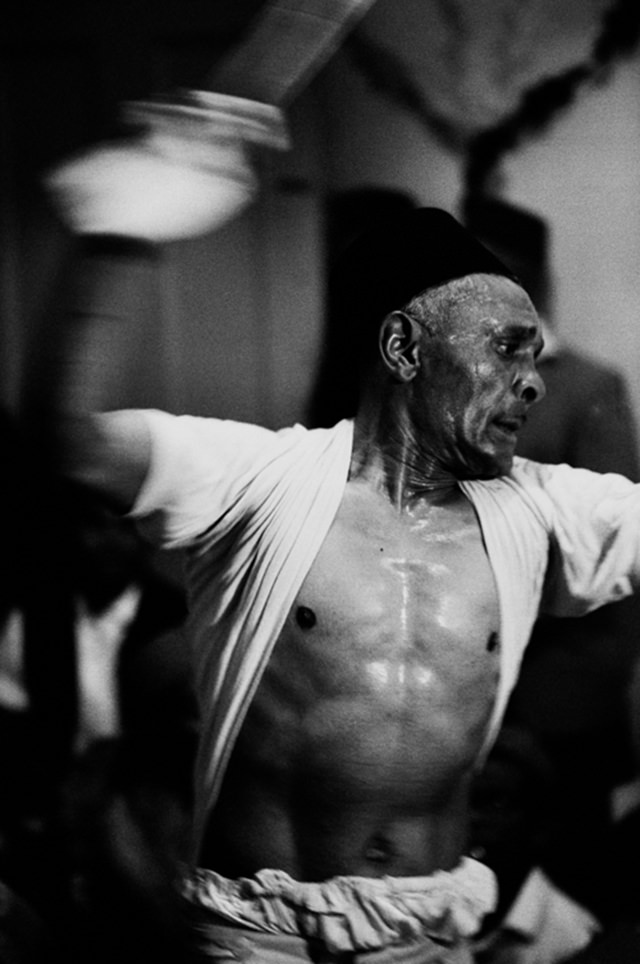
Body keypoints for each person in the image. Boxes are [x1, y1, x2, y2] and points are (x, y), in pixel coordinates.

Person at [34, 89, 640, 964]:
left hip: (431, 931)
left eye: (537, 356)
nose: (534, 381)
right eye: (509, 347)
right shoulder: (260, 479)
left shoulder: (544, 508)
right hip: (258, 933)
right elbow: (70, 439)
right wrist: (120, 231)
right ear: (404, 350)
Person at [464, 196, 640, 917]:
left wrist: (546, 708)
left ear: (533, 274)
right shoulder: (440, 389)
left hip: (557, 712)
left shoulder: (586, 389)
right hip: (460, 702)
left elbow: (613, 568)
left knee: (569, 900)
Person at [470, 725, 601, 964]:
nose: (474, 819)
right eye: (466, 802)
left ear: (539, 824)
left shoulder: (572, 938)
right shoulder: (431, 912)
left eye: (497, 803)